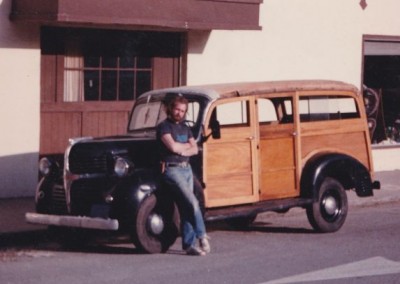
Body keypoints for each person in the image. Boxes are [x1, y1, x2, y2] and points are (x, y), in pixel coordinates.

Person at [157, 95, 210, 256]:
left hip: (186, 169)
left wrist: (184, 148)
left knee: (186, 206)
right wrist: (186, 146)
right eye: (177, 109)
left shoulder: (186, 129)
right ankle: (202, 236)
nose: (179, 113)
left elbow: (195, 149)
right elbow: (172, 147)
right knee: (192, 201)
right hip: (172, 170)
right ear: (171, 109)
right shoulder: (163, 127)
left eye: (183, 111)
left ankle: (189, 245)